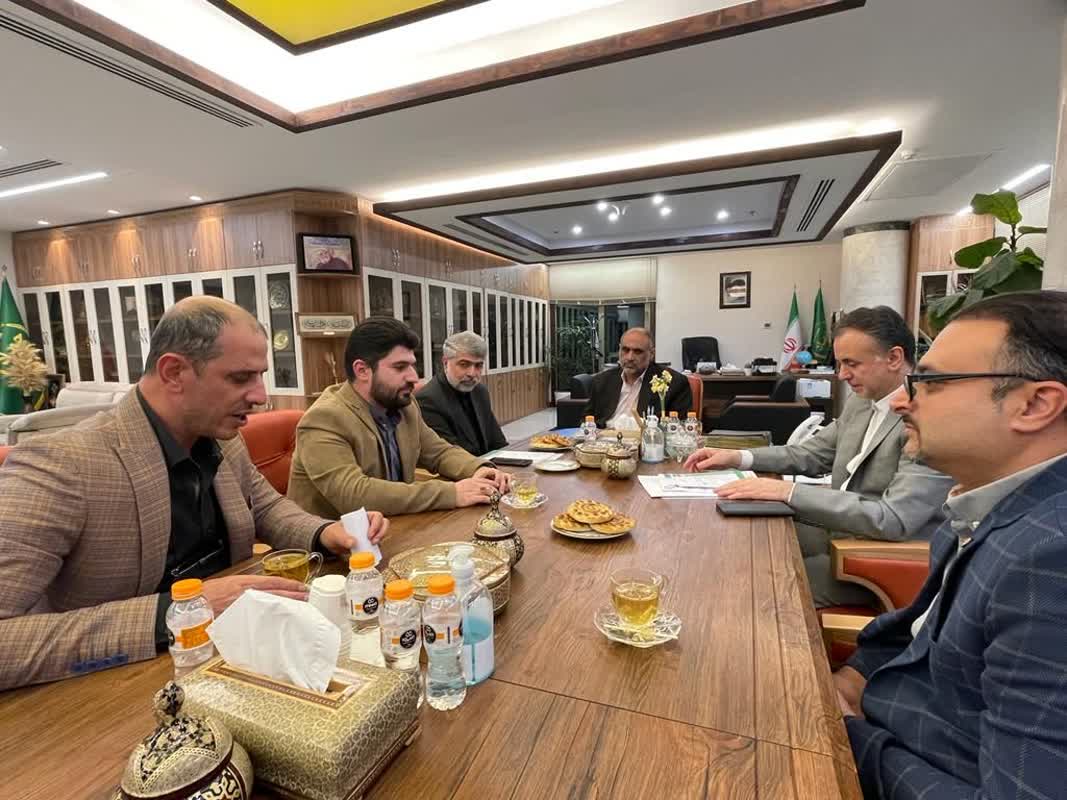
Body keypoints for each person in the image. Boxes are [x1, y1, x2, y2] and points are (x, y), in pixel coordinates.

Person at [0, 297, 389, 691]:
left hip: (239, 663)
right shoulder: (60, 464)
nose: (260, 396)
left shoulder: (222, 437)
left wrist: (325, 533)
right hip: (114, 692)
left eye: (260, 376)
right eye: (241, 378)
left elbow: (266, 508)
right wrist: (182, 611)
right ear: (174, 372)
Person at [836, 290, 1067, 799]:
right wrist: (852, 676)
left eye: (931, 383)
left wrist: (847, 737)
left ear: (1035, 404)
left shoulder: (1051, 559)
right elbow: (917, 632)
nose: (902, 401)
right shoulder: (979, 504)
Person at [684, 306, 953, 607]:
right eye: (840, 363)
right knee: (740, 540)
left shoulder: (926, 420)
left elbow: (892, 519)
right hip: (838, 531)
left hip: (880, 560)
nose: (841, 375)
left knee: (752, 580)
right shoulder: (863, 401)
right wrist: (737, 457)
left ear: (894, 358)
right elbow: (810, 454)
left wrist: (787, 492)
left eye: (851, 363)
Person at [288, 317, 510, 518]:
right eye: (400, 367)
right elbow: (354, 495)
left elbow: (439, 452)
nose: (414, 377)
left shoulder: (404, 406)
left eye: (412, 365)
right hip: (335, 544)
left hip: (395, 526)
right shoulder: (324, 418)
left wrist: (478, 468)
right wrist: (452, 493)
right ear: (362, 370)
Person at [415, 330, 507, 457]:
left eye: (478, 366)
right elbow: (450, 456)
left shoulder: (480, 392)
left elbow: (498, 443)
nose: (472, 373)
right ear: (445, 363)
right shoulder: (428, 400)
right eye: (464, 364)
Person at [584, 327, 692, 428]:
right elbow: (586, 421)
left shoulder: (673, 383)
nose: (630, 357)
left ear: (652, 354)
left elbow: (678, 428)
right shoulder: (602, 381)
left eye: (637, 352)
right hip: (604, 438)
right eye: (625, 350)